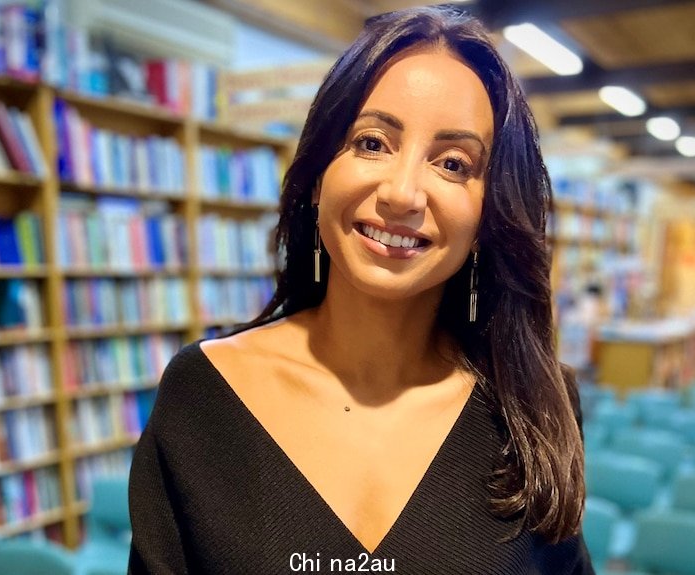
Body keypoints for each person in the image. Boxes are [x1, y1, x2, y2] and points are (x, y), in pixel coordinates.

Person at [128, 6, 592, 574]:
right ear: (319, 174)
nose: (402, 193)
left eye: (452, 163)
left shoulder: (533, 403)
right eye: (372, 143)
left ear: (487, 217)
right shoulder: (201, 394)